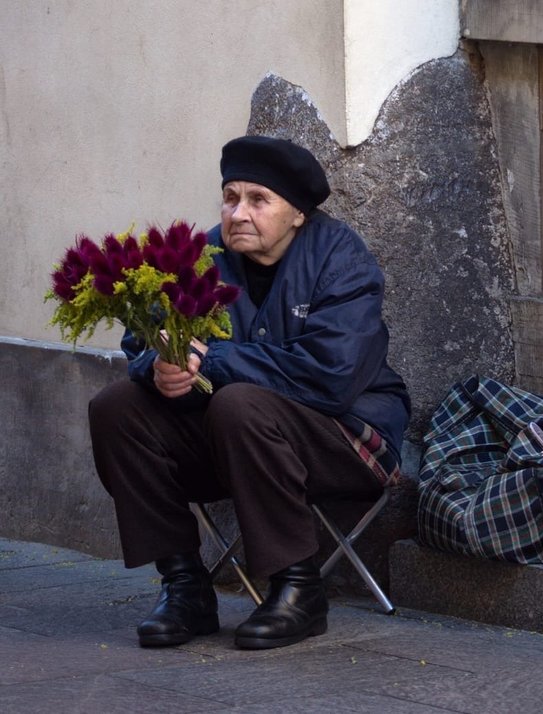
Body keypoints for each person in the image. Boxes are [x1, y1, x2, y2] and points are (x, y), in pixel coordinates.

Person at [88, 135, 410, 650]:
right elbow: (143, 341)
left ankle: (298, 589)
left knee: (238, 401)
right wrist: (162, 368)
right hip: (235, 440)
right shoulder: (202, 258)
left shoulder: (342, 260)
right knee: (117, 408)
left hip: (346, 439)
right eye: (230, 197)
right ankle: (185, 588)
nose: (238, 213)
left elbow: (332, 377)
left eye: (257, 200)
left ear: (297, 213)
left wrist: (210, 361)